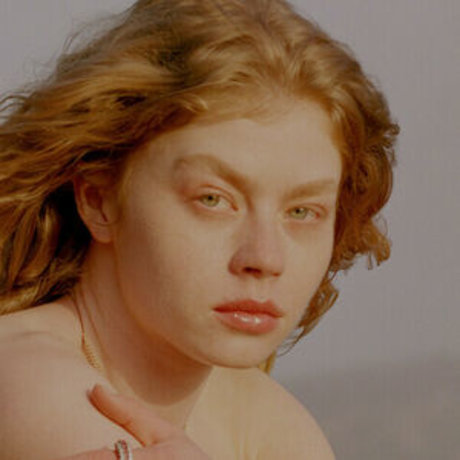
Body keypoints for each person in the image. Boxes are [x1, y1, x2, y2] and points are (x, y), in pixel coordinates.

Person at [0, 0, 398, 458]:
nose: (265, 258)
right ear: (98, 199)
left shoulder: (261, 414)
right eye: (213, 200)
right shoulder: (26, 378)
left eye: (303, 212)